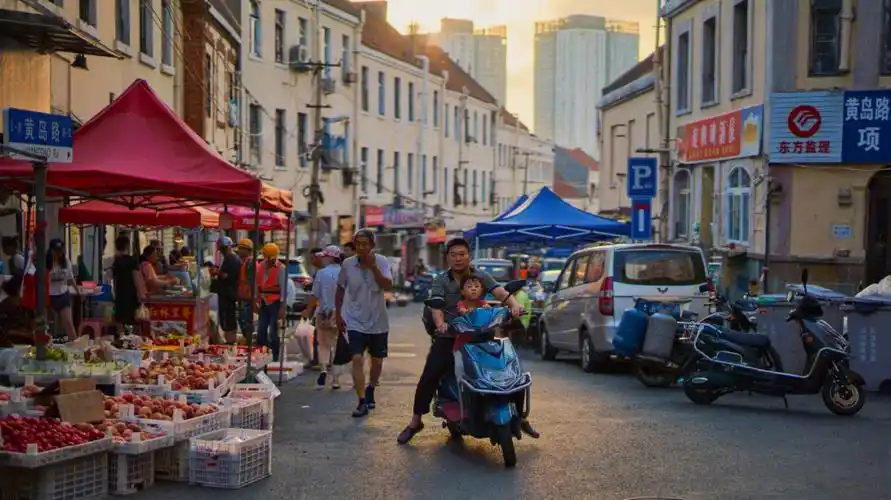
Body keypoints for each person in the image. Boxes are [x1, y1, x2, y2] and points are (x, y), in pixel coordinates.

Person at [397, 237, 539, 444]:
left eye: (462, 254)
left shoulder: (480, 276)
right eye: (453, 255)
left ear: (469, 256)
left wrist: (514, 305)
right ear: (447, 258)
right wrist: (440, 323)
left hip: (482, 335)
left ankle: (520, 416)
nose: (458, 258)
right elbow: (436, 305)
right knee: (431, 374)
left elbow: (500, 292)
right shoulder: (441, 280)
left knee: (510, 369)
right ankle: (415, 421)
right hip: (450, 336)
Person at [335, 229, 393, 418]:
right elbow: (340, 288)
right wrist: (338, 313)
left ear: (372, 246)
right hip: (354, 320)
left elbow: (388, 285)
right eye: (358, 244)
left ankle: (371, 388)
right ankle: (361, 401)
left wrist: (373, 267)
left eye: (365, 244)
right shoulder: (347, 264)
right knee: (357, 359)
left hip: (378, 321)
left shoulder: (382, 261)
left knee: (377, 362)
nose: (361, 247)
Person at [302, 245, 344, 390]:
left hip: (323, 313)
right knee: (338, 346)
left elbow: (315, 295)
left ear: (331, 257)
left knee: (323, 345)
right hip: (341, 314)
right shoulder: (345, 273)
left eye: (325, 256)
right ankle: (336, 380)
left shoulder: (321, 273)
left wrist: (308, 310)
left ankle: (324, 369)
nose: (323, 258)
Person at [257, 243, 287, 361]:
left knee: (273, 333)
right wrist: (256, 301)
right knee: (261, 330)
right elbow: (257, 285)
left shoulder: (281, 268)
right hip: (263, 303)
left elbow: (283, 290)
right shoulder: (261, 266)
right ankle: (262, 356)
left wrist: (282, 308)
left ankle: (275, 357)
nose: (270, 260)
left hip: (275, 303)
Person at [46, 239, 80, 341]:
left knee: (68, 323)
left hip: (63, 294)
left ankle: (76, 346)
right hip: (49, 296)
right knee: (45, 325)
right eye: (56, 251)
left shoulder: (66, 261)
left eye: (60, 251)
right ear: (51, 251)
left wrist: (77, 290)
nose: (59, 254)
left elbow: (70, 278)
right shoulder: (46, 263)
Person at [112, 236, 146, 328]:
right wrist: (142, 294)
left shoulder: (116, 262)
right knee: (134, 322)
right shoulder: (132, 260)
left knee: (120, 321)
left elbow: (113, 280)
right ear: (127, 246)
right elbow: (136, 278)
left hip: (119, 295)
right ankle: (134, 340)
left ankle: (121, 340)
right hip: (131, 296)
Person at [213, 237, 242, 344]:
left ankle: (230, 342)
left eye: (222, 249)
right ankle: (230, 341)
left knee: (228, 318)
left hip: (228, 294)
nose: (221, 252)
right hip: (230, 294)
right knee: (230, 318)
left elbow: (226, 276)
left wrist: (216, 272)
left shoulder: (231, 259)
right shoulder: (232, 258)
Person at [0, 275, 35, 347]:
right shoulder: (5, 306)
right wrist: (28, 335)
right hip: (11, 345)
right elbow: (5, 331)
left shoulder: (27, 305)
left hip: (29, 345)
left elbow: (33, 322)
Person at [235, 239, 256, 338]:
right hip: (245, 296)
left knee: (246, 321)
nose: (238, 251)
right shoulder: (246, 262)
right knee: (243, 320)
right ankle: (248, 341)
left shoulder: (250, 263)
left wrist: (253, 299)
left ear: (247, 250)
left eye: (240, 249)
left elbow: (252, 282)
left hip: (247, 297)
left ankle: (249, 342)